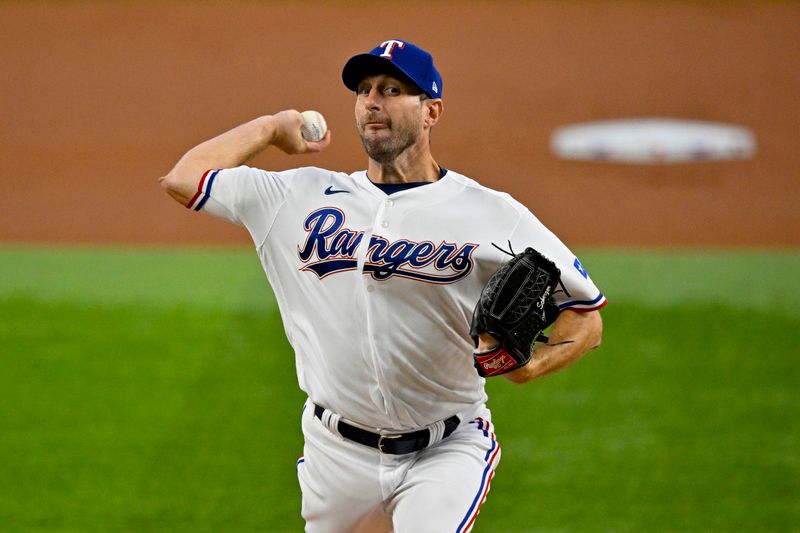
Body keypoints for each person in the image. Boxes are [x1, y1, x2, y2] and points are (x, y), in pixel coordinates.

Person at [160, 38, 606, 533]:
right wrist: (269, 128)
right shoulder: (297, 196)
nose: (372, 101)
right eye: (364, 89)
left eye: (392, 90)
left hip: (447, 449)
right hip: (336, 456)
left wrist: (533, 365)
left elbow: (586, 314)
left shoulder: (493, 213)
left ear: (431, 110)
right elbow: (184, 179)